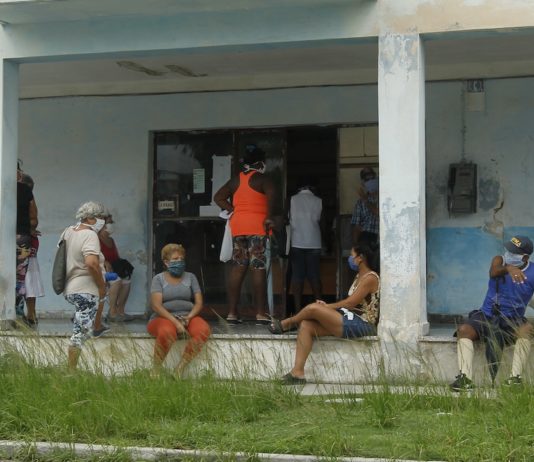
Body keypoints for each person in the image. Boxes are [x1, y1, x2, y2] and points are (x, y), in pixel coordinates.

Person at [269, 243, 380, 384]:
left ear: (360, 258)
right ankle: (297, 373)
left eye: (352, 256)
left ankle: (288, 323)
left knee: (314, 309)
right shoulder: (360, 275)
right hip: (351, 318)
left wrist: (327, 307)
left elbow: (350, 303)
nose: (350, 259)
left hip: (363, 324)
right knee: (307, 326)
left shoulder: (370, 277)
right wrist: (328, 309)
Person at [450, 235, 534, 391]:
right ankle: (465, 378)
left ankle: (515, 379)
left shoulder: (533, 272)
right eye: (508, 249)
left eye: (513, 252)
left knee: (527, 330)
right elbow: (494, 272)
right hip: (487, 315)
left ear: (525, 257)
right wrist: (509, 268)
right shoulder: (499, 261)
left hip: (513, 319)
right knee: (464, 330)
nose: (508, 253)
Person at [214, 144, 276, 325]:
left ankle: (232, 313)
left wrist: (233, 209)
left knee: (239, 266)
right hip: (258, 228)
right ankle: (260, 313)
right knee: (258, 267)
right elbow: (272, 199)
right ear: (260, 163)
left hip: (238, 228)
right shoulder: (264, 180)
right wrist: (270, 217)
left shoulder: (235, 180)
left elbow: (218, 197)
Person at [147, 243, 211, 376]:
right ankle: (156, 370)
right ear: (166, 262)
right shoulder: (158, 279)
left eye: (181, 259)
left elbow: (198, 303)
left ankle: (179, 369)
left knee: (203, 330)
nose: (179, 262)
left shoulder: (191, 277)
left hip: (187, 316)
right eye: (175, 259)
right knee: (167, 332)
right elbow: (156, 306)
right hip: (163, 317)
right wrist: (175, 322)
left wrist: (189, 317)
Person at [63, 201, 109, 369]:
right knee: (79, 333)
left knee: (81, 328)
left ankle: (96, 327)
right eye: (101, 217)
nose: (103, 221)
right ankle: (70, 371)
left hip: (71, 287)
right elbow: (91, 263)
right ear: (90, 218)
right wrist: (101, 286)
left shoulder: (68, 232)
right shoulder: (89, 235)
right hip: (86, 289)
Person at [289, 181, 323, 312]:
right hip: (314, 242)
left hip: (296, 242)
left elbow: (288, 219)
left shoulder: (291, 200)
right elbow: (322, 223)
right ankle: (320, 308)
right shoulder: (318, 200)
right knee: (314, 276)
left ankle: (298, 310)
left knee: (297, 277)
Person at [99, 214, 134, 322]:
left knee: (127, 281)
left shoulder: (111, 240)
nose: (112, 224)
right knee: (116, 280)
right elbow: (93, 256)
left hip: (112, 269)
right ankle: (112, 312)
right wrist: (104, 262)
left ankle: (120, 311)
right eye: (110, 222)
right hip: (100, 270)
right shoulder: (95, 239)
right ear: (102, 224)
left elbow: (116, 257)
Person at [15, 162, 38, 323]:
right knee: (20, 277)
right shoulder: (25, 190)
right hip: (21, 238)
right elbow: (33, 218)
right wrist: (30, 229)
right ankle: (16, 313)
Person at [351, 167, 379, 246]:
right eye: (366, 177)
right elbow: (356, 226)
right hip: (366, 237)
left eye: (372, 176)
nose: (370, 179)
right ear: (363, 182)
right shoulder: (360, 203)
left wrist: (365, 200)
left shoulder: (384, 197)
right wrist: (355, 246)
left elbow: (378, 212)